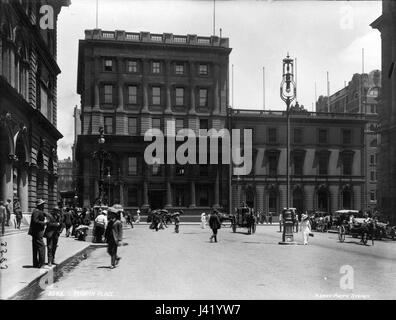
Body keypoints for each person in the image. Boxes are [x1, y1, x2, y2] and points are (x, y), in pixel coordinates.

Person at [28, 199, 48, 268]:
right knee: (41, 247)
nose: (44, 205)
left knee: (35, 247)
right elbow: (35, 221)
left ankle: (35, 263)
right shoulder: (36, 211)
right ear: (40, 205)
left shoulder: (39, 211)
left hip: (37, 231)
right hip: (37, 232)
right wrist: (44, 223)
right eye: (43, 204)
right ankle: (41, 264)